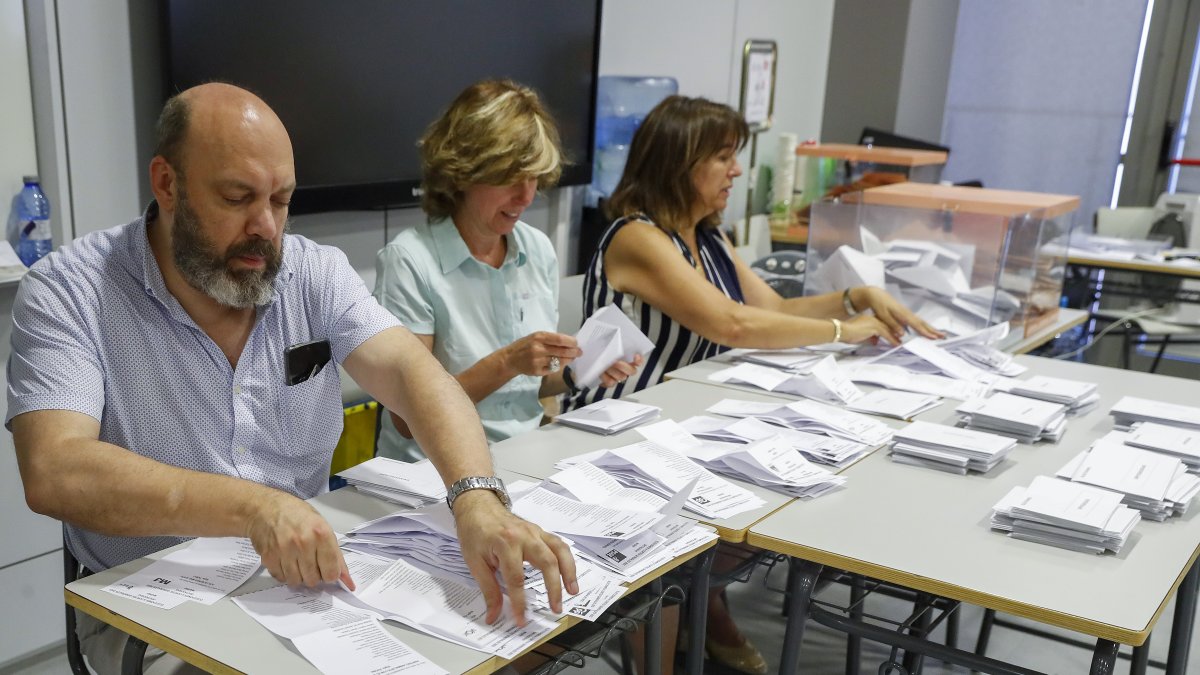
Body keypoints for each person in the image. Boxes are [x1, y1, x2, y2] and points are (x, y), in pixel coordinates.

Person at [8, 83, 575, 675]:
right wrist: (255, 509)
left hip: (309, 584)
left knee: (488, 640)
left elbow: (413, 374)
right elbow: (56, 470)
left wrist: (476, 500)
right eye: (237, 197)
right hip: (152, 608)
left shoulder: (311, 272)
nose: (265, 227)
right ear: (167, 183)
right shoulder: (70, 289)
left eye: (280, 200)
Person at [566, 95, 941, 674]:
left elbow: (775, 307)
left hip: (682, 425)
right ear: (679, 162)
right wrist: (844, 327)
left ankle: (705, 608)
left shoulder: (707, 237)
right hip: (617, 432)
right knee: (697, 540)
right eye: (722, 157)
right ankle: (682, 628)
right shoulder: (636, 237)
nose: (736, 171)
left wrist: (855, 296)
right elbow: (731, 324)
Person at [374, 79, 639, 461]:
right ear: (463, 171)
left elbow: (527, 389)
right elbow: (406, 418)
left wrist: (581, 368)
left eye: (534, 176)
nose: (526, 195)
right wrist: (507, 362)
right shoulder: (410, 260)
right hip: (435, 469)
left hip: (524, 455)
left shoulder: (536, 248)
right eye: (509, 177)